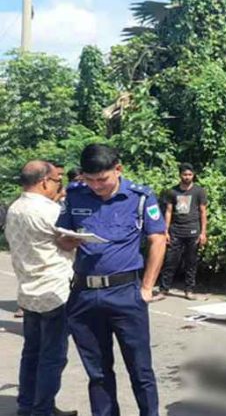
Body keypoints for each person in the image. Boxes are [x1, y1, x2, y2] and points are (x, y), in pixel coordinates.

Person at [56, 144, 167, 416]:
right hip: (83, 295)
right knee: (98, 373)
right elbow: (62, 236)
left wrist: (146, 287)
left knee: (140, 370)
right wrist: (65, 240)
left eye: (102, 179)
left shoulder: (140, 197)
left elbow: (158, 239)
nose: (96, 186)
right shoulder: (75, 195)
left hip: (125, 293)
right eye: (89, 180)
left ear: (118, 169)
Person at [4, 160, 78, 416]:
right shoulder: (49, 210)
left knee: (32, 352)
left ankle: (27, 406)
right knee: (53, 356)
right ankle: (42, 409)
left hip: (28, 293)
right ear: (45, 181)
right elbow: (69, 242)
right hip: (54, 292)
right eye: (57, 181)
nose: (60, 186)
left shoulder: (15, 208)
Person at [155, 163, 208, 301]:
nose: (187, 177)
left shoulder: (199, 191)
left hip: (193, 231)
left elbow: (203, 212)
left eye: (190, 174)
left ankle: (189, 290)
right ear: (180, 175)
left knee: (191, 263)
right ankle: (163, 290)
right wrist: (165, 231)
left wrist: (203, 233)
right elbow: (168, 211)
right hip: (175, 231)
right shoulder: (172, 192)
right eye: (185, 174)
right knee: (170, 262)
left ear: (193, 175)